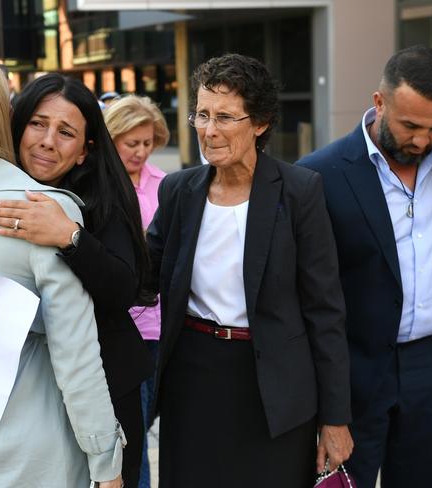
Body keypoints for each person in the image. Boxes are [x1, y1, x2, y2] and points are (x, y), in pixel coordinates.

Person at [0, 73, 153, 487]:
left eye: (65, 132)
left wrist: (70, 238)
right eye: (38, 124)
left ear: (84, 151)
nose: (47, 141)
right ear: (15, 123)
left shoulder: (97, 199)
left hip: (101, 387)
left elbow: (122, 291)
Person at [147, 53, 352, 488]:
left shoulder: (299, 192)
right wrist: (74, 240)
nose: (209, 130)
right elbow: (140, 278)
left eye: (224, 117)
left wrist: (335, 419)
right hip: (194, 376)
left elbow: (325, 310)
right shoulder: (179, 191)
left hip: (274, 386)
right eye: (201, 115)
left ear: (259, 123)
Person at [298, 45, 432, 488]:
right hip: (352, 374)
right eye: (410, 125)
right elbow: (307, 296)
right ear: (379, 102)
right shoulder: (319, 175)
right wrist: (328, 407)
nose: (421, 140)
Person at [103, 94, 169, 488]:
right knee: (133, 432)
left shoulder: (165, 184)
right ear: (112, 139)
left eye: (148, 143)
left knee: (145, 424)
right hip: (121, 327)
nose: (141, 151)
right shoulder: (102, 186)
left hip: (161, 326)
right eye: (133, 143)